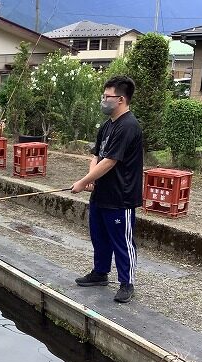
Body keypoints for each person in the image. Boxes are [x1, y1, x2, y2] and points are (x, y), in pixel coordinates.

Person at [71, 76, 143, 304]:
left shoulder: (128, 126)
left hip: (120, 196)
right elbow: (97, 156)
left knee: (122, 241)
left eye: (107, 97)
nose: (103, 100)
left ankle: (126, 282)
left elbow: (110, 161)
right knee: (99, 237)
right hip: (100, 193)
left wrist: (83, 182)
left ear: (120, 99)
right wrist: (91, 178)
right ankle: (100, 273)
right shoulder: (107, 125)